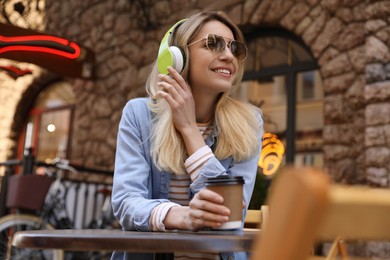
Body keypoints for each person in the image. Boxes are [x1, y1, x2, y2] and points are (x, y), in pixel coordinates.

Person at [111, 10, 264, 260]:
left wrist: (190, 131)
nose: (228, 56)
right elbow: (127, 203)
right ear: (177, 57)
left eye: (234, 48)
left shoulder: (249, 122)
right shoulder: (139, 115)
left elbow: (230, 214)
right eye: (212, 44)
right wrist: (183, 216)